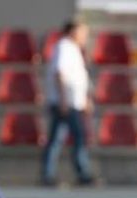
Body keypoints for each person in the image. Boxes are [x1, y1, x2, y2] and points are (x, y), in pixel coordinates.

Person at [41, 18, 96, 187]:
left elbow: (78, 78)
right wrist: (64, 100)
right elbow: (60, 74)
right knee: (78, 138)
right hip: (66, 103)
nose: (85, 35)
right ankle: (83, 173)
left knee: (56, 139)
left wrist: (85, 99)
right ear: (73, 31)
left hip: (72, 102)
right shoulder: (63, 47)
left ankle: (48, 175)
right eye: (83, 31)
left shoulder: (74, 49)